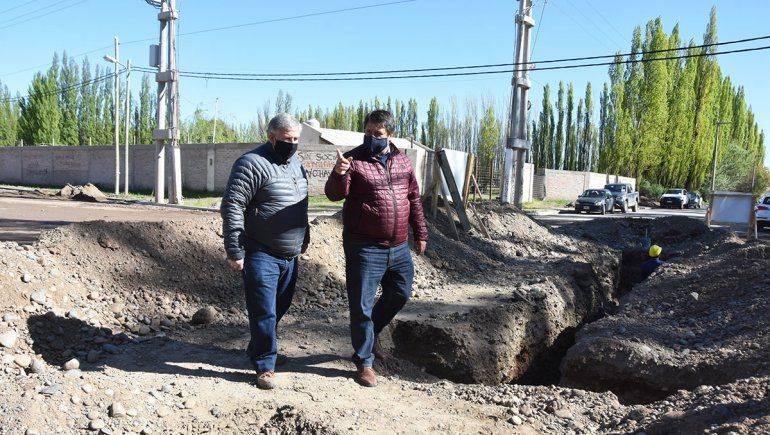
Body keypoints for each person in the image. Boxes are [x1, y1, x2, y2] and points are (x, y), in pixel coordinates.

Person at [325, 109, 429, 387]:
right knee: (361, 305)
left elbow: (414, 198)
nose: (372, 137)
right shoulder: (353, 159)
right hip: (364, 246)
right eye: (368, 132)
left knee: (400, 292)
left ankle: (373, 335)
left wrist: (421, 232)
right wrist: (338, 173)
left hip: (398, 246)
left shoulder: (403, 161)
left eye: (378, 134)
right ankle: (364, 363)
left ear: (390, 135)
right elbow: (335, 195)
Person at [220, 113, 309, 390]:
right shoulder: (251, 164)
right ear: (271, 137)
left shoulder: (296, 164)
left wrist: (305, 234)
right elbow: (232, 205)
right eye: (286, 139)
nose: (292, 144)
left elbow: (300, 202)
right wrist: (235, 249)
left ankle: (259, 348)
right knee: (264, 312)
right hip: (261, 252)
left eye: (295, 139)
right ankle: (264, 365)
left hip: (290, 255)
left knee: (279, 307)